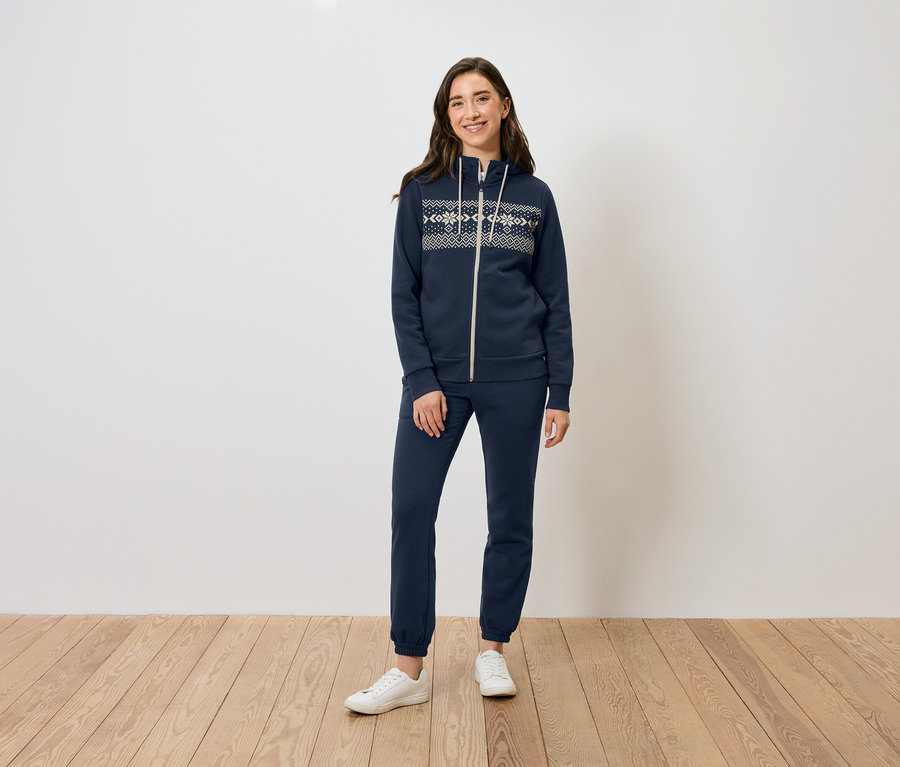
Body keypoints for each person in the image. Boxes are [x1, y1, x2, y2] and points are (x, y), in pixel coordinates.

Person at [345, 56, 574, 715]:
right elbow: (404, 294)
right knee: (412, 510)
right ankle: (408, 667)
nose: (470, 111)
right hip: (438, 383)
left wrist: (559, 390)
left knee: (510, 517)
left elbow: (556, 299)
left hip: (519, 379)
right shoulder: (422, 191)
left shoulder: (534, 197)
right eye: (457, 102)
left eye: (481, 98)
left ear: (504, 106)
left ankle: (492, 647)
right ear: (446, 116)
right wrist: (422, 379)